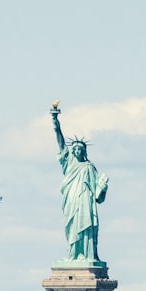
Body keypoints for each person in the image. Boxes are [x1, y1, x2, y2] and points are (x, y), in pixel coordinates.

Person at [52, 105, 108, 262]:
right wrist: (56, 123)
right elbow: (61, 143)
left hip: (85, 201)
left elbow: (98, 194)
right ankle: (73, 254)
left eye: (79, 149)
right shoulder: (68, 162)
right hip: (71, 199)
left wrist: (102, 187)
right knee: (72, 227)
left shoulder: (90, 167)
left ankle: (87, 254)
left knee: (86, 226)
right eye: (74, 149)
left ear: (84, 151)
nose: (76, 151)